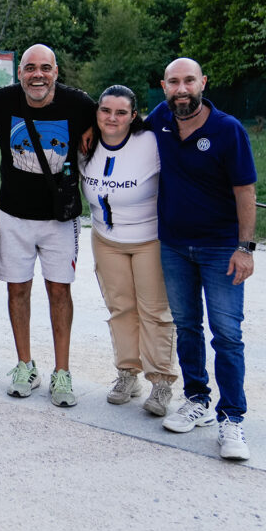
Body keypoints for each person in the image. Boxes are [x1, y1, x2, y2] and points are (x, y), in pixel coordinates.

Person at [0, 44, 96, 407]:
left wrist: (92, 127)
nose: (37, 74)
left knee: (60, 293)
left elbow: (112, 117)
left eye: (44, 68)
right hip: (13, 216)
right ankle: (25, 365)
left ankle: (62, 372)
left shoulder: (77, 104)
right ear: (20, 73)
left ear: (56, 71)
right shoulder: (4, 100)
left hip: (60, 219)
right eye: (30, 68)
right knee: (17, 292)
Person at [151, 58, 257, 461]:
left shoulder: (228, 130)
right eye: (174, 82)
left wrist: (244, 249)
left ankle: (232, 419)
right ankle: (197, 399)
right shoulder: (160, 119)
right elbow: (120, 123)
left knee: (227, 335)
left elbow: (245, 193)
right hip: (174, 245)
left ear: (202, 83)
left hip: (220, 249)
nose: (182, 89)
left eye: (189, 81)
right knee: (187, 326)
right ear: (164, 87)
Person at [79, 85, 177, 416]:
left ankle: (161, 382)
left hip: (148, 238)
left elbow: (172, 108)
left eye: (121, 112)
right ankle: (127, 374)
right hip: (106, 238)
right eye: (106, 111)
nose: (112, 118)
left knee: (154, 311)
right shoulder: (86, 143)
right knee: (120, 308)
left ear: (134, 116)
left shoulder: (149, 142)